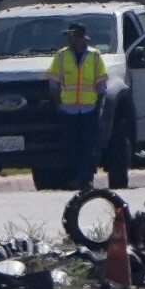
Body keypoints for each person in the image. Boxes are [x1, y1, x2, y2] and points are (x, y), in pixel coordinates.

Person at [47, 21, 109, 190]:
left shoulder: (95, 56)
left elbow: (102, 85)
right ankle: (75, 177)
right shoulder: (61, 56)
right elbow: (54, 84)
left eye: (72, 34)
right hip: (68, 111)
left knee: (88, 146)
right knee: (71, 146)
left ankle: (85, 179)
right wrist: (58, 105)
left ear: (80, 37)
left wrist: (99, 108)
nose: (69, 38)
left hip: (89, 110)